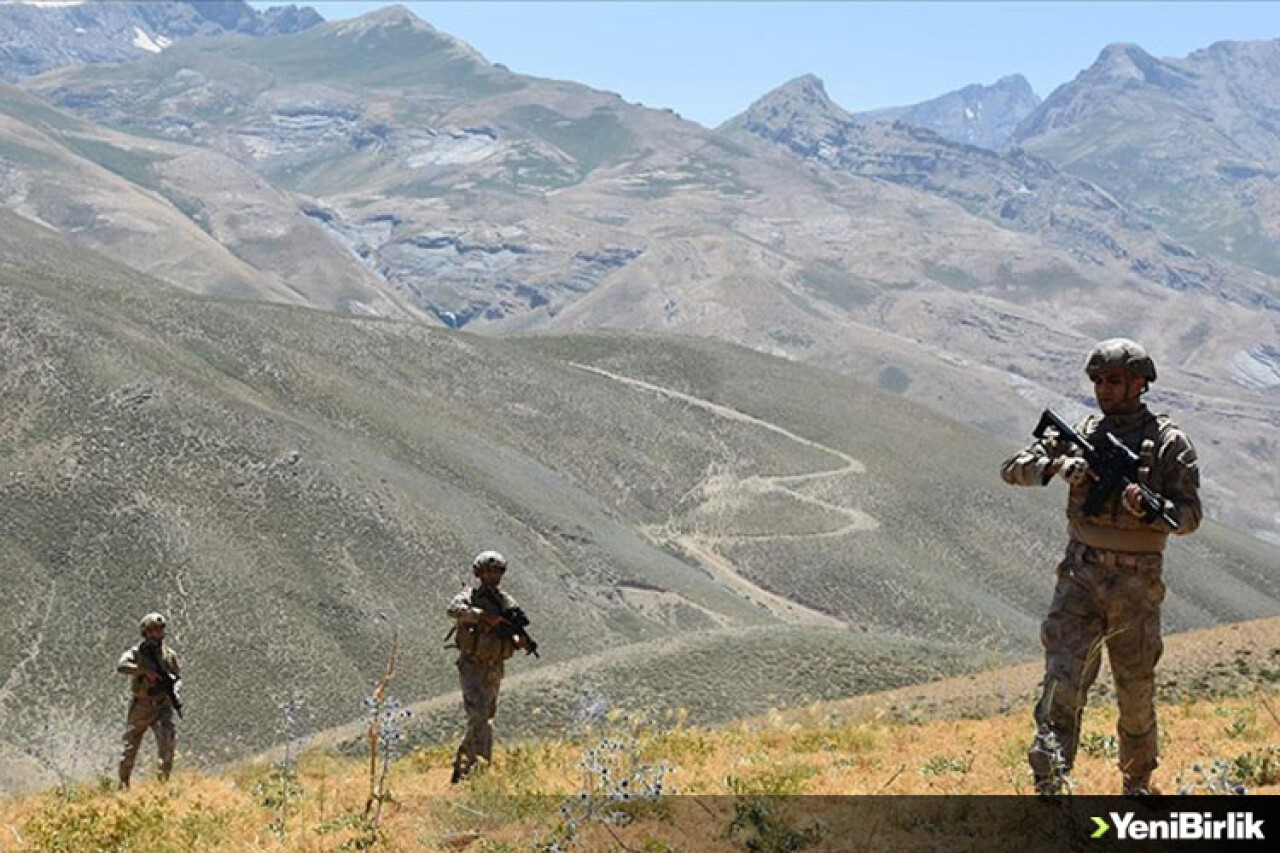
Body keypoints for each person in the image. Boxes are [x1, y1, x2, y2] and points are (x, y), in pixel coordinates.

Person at [1001, 338, 1201, 796]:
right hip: (1080, 577)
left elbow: (1189, 517)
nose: (1104, 390)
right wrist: (1059, 466)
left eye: (1114, 381)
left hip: (1136, 583)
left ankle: (1136, 784)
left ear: (1139, 383)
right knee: (1062, 684)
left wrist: (1151, 508)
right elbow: (1013, 467)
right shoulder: (1084, 431)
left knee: (1134, 691)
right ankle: (1050, 784)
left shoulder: (1170, 444)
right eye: (1097, 381)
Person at [447, 550, 532, 783]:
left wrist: (518, 640)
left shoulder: (506, 602)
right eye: (488, 571)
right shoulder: (469, 596)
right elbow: (453, 610)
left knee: (487, 717)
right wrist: (482, 616)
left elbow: (513, 629)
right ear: (479, 573)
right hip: (472, 665)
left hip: (494, 667)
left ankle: (478, 767)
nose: (493, 576)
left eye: (497, 572)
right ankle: (466, 767)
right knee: (478, 716)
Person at [116, 612, 182, 788]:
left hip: (162, 705)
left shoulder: (169, 655)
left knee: (167, 744)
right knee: (130, 748)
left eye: (159, 630)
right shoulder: (137, 653)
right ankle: (123, 783)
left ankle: (162, 784)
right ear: (145, 633)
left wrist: (174, 690)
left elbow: (177, 677)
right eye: (151, 631)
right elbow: (121, 666)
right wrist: (143, 671)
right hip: (142, 706)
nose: (156, 634)